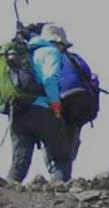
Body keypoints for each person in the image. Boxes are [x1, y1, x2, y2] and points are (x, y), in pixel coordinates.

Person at [9, 24, 83, 183]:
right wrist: (56, 106)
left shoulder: (27, 52)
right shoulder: (51, 52)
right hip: (41, 109)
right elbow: (50, 79)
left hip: (18, 109)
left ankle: (4, 194)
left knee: (20, 161)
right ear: (58, 42)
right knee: (61, 157)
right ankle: (61, 196)